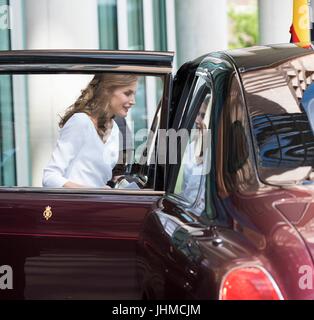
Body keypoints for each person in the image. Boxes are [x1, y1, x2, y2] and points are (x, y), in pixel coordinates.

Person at [42, 73, 138, 188]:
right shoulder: (80, 122)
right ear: (107, 91)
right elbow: (50, 177)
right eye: (127, 93)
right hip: (75, 204)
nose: (133, 101)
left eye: (134, 94)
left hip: (97, 203)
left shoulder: (115, 129)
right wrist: (95, 191)